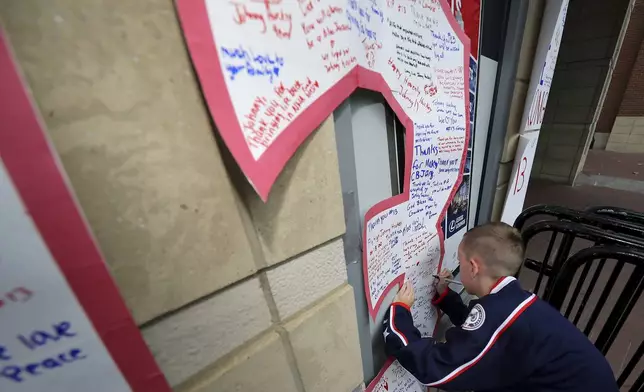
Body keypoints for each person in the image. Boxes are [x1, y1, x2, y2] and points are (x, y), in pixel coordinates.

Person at [383, 222, 618, 391]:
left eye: (460, 261)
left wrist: (399, 314)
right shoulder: (513, 299)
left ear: (474, 267)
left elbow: (438, 369)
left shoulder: (501, 314)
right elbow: (485, 332)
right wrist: (446, 297)